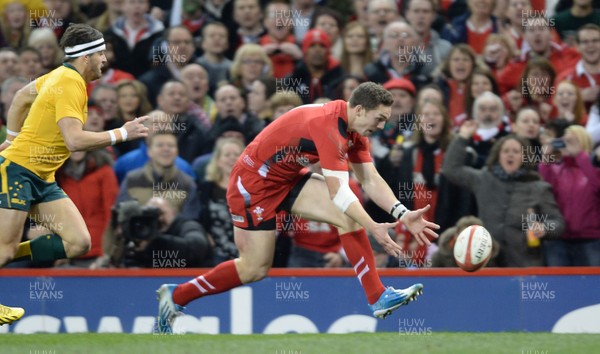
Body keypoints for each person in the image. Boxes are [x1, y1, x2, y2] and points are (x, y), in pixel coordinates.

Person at [156, 82, 440, 334]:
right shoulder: (329, 126)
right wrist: (374, 227)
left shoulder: (353, 129)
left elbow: (370, 178)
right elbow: (340, 192)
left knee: (347, 218)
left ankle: (378, 296)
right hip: (253, 185)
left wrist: (403, 214)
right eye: (379, 119)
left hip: (287, 178)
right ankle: (177, 295)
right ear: (360, 109)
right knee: (255, 268)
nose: (381, 127)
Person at [0, 23, 149, 325]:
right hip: (18, 171)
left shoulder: (58, 76)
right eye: (101, 53)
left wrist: (12, 137)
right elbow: (75, 140)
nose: (106, 59)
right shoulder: (70, 83)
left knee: (79, 242)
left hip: (41, 177)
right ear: (87, 57)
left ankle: (7, 252)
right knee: (3, 248)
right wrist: (122, 132)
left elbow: (20, 98)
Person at [442, 123, 565, 267]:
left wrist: (544, 228)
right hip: (488, 262)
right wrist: (462, 138)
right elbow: (451, 169)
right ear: (498, 155)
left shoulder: (538, 187)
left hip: (524, 263)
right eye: (505, 151)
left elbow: (557, 222)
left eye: (515, 151)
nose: (510, 154)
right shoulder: (484, 179)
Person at [538, 126, 600, 266]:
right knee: (559, 286)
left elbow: (597, 185)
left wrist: (580, 155)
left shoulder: (594, 167)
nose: (567, 143)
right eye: (565, 139)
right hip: (559, 240)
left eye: (572, 140)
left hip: (591, 240)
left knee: (593, 287)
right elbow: (543, 190)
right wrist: (546, 158)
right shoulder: (556, 169)